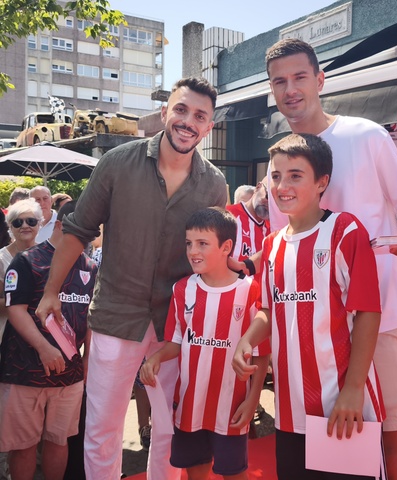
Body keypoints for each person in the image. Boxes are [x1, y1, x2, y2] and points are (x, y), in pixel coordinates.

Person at [35, 76, 228, 480]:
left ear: (209, 127)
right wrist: (51, 290)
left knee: (170, 429)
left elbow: (212, 255)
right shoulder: (117, 163)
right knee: (102, 429)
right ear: (164, 112)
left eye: (200, 116)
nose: (188, 121)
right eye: (181, 109)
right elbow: (79, 229)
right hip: (115, 315)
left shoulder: (214, 184)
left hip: (176, 324)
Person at [260, 38, 397, 480]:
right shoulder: (277, 167)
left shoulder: (367, 136)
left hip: (377, 318)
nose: (290, 89)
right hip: (312, 334)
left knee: (389, 448)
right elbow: (285, 244)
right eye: (279, 81)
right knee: (327, 457)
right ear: (272, 90)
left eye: (300, 77)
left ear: (320, 80)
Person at [233, 133, 385, 480]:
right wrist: (247, 339)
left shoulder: (344, 230)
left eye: (295, 175)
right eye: (275, 176)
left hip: (342, 405)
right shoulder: (272, 245)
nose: (282, 186)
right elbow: (268, 310)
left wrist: (353, 389)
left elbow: (368, 312)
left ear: (322, 182)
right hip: (290, 413)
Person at [141, 207, 269, 480]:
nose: (193, 251)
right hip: (189, 406)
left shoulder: (250, 290)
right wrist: (155, 358)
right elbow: (177, 342)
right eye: (189, 243)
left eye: (202, 243)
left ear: (226, 247)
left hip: (231, 407)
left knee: (234, 473)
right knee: (195, 472)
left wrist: (253, 399)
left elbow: (261, 353)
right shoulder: (182, 289)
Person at [0, 201, 97, 480]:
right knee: (24, 446)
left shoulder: (90, 266)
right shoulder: (27, 260)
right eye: (81, 232)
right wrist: (44, 348)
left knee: (59, 441)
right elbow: (15, 310)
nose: (86, 240)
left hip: (69, 375)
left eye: (90, 234)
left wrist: (88, 359)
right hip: (25, 372)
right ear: (60, 226)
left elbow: (91, 317)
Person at [0, 199, 42, 346]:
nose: (25, 226)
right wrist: (24, 304)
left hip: (42, 333)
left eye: (31, 221)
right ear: (10, 226)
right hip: (8, 337)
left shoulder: (49, 255)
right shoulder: (1, 259)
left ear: (39, 224)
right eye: (18, 222)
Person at [227, 179, 270, 265]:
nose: (270, 203)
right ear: (258, 187)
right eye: (268, 196)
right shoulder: (227, 215)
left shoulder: (274, 230)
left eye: (276, 201)